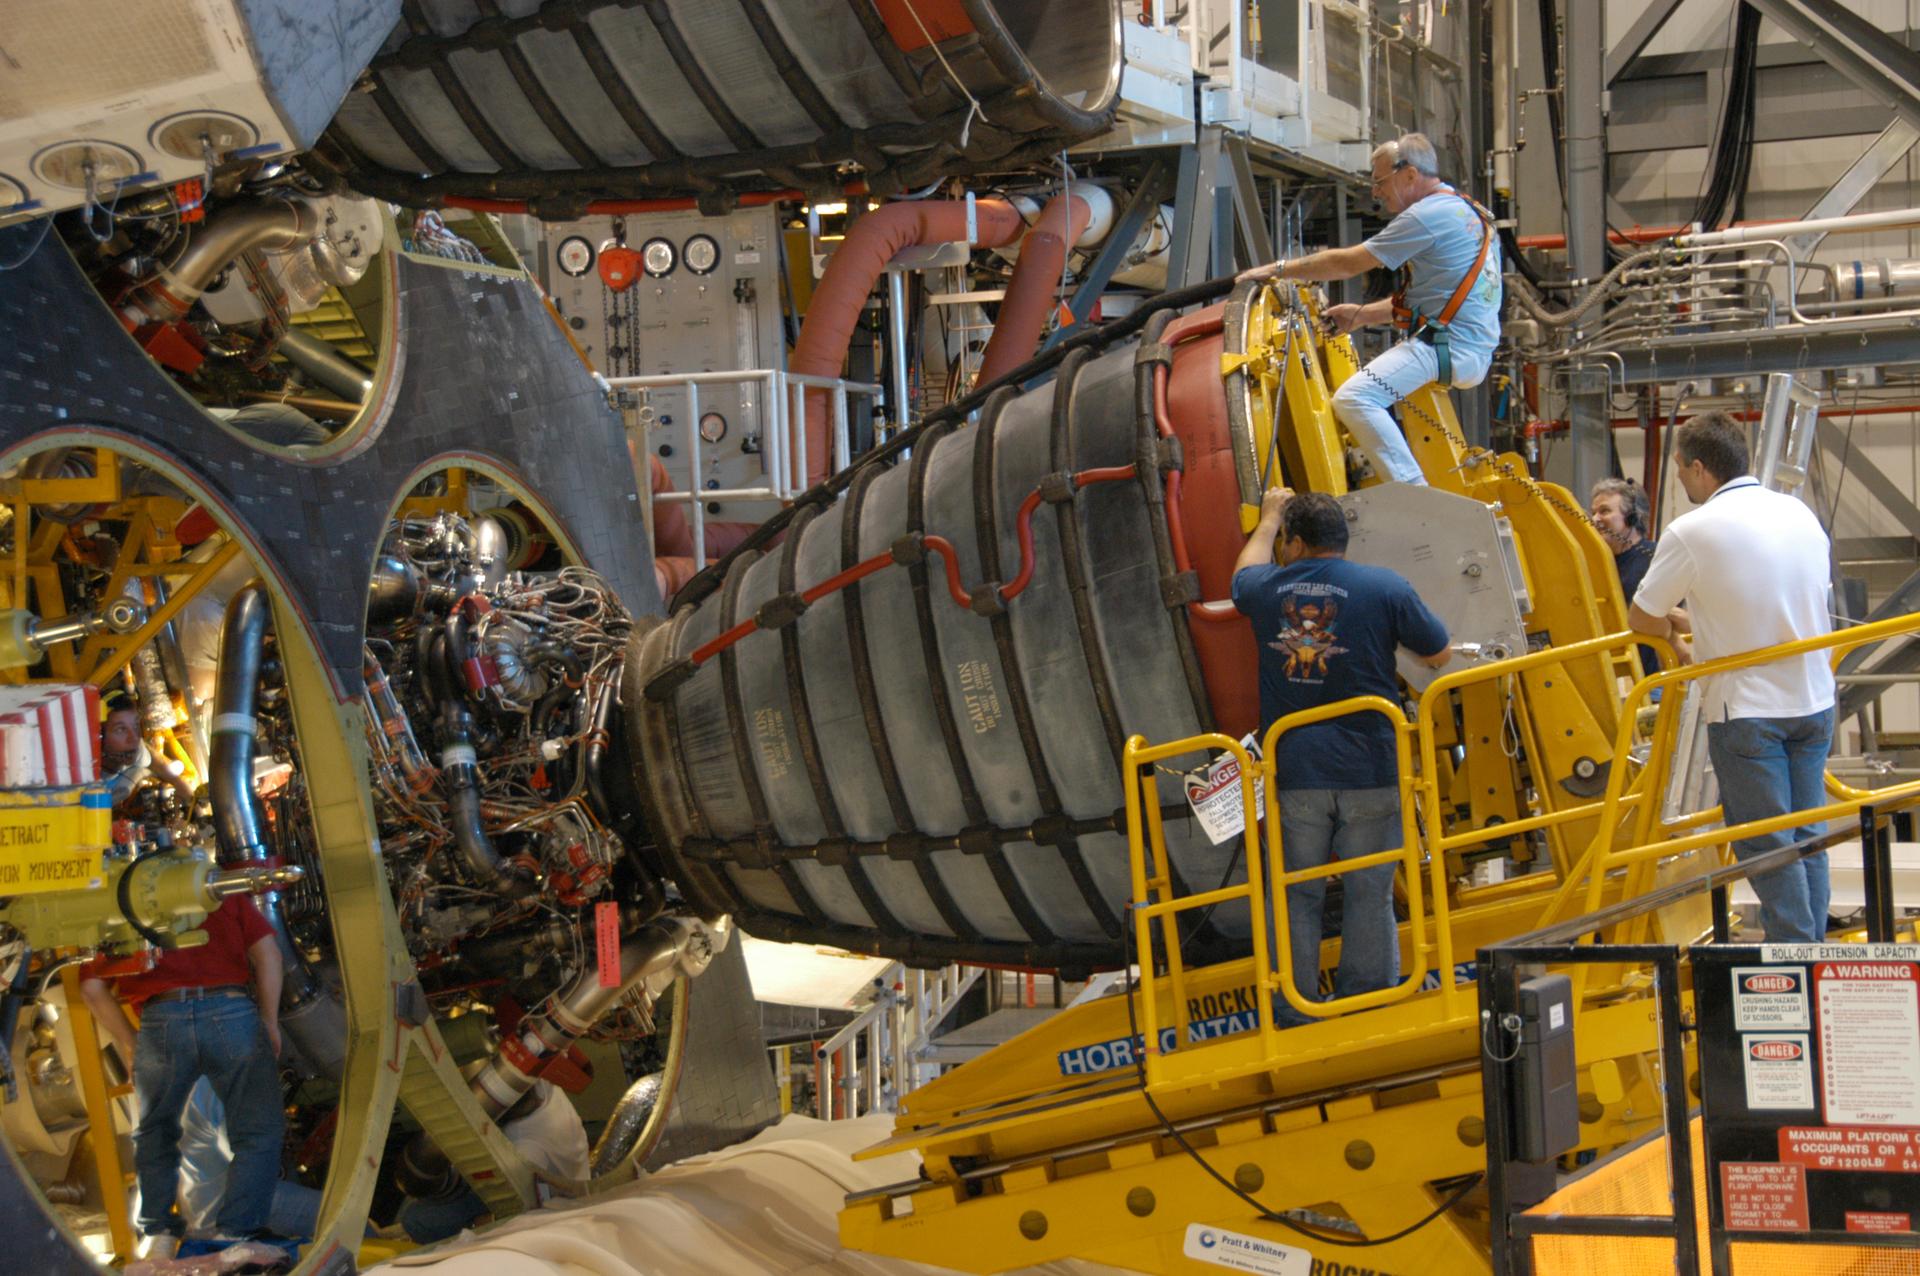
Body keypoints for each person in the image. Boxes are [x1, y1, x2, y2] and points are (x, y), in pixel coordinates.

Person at [1232, 488, 1452, 1024]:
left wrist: (1267, 521)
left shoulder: (1266, 588)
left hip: (1298, 771)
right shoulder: (1384, 586)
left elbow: (1241, 576)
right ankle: (1367, 1000)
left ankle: (1293, 1008)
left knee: (1295, 893)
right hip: (1371, 767)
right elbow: (1439, 652)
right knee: (1370, 889)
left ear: (1296, 542)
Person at [1628, 411, 1836, 942]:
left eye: (1677, 467)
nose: (1677, 477)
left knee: (1766, 840)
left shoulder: (1692, 530)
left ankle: (1795, 950)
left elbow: (1640, 617)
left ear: (1699, 469)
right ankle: (1812, 955)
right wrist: (1696, 619)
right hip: (1813, 700)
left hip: (1748, 711)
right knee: (1806, 831)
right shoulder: (1798, 512)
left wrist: (1677, 645)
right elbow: (1767, 598)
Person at [1238, 132, 1502, 487]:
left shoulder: (1426, 216)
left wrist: (1278, 269)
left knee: (1354, 397)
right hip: (1468, 347)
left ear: (1409, 174)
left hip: (1450, 347)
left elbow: (1350, 263)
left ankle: (1415, 494)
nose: (1375, 192)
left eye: (1380, 182)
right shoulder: (1465, 209)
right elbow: (1437, 301)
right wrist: (1361, 315)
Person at [78, 894, 285, 1255]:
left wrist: (130, 1042)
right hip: (231, 1011)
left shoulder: (116, 900)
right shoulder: (219, 887)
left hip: (160, 1018)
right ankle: (237, 1233)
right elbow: (268, 953)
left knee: (156, 1131)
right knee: (257, 1131)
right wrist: (269, 1020)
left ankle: (159, 1234)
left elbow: (91, 988)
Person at [1588, 477, 1689, 675]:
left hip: (1650, 680)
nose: (1595, 520)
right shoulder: (1594, 563)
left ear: (1632, 517)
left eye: (1604, 511)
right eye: (1593, 513)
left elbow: (1671, 617)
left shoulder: (1656, 558)